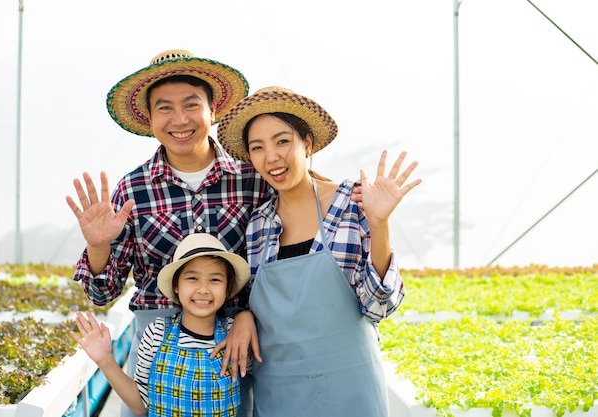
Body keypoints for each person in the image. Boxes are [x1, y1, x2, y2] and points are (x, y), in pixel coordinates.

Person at [65, 49, 271, 417]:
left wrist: (247, 315)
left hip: (232, 346)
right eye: (164, 108)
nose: (179, 119)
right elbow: (103, 293)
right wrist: (97, 246)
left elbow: (272, 267)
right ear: (149, 117)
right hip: (154, 347)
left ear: (213, 110)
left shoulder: (251, 180)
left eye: (191, 105)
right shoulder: (132, 190)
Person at [216, 86, 422, 417]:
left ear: (307, 143)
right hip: (279, 393)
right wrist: (243, 315)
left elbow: (378, 305)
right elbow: (257, 308)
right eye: (258, 147)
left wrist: (379, 224)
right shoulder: (257, 226)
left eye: (282, 141)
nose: (271, 157)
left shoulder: (352, 203)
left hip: (350, 390)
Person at [70, 233, 252, 417]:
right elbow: (141, 405)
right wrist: (105, 360)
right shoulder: (157, 333)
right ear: (176, 286)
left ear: (227, 288)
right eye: (192, 278)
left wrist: (247, 317)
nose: (203, 289)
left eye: (215, 280)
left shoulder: (234, 335)